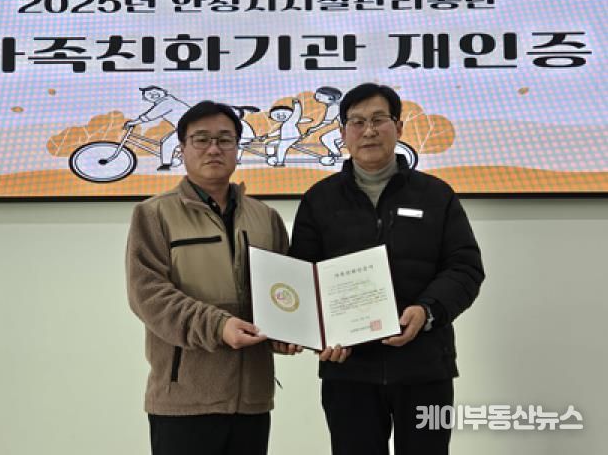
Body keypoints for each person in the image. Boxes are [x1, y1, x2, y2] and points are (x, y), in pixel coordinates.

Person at [289, 83, 484, 455]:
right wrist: (319, 335)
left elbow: (465, 267)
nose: (369, 131)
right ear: (343, 132)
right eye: (357, 122)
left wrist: (427, 311)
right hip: (349, 370)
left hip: (426, 366)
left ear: (398, 127)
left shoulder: (436, 194)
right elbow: (302, 277)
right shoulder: (319, 199)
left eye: (379, 119)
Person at [126, 100, 291, 455]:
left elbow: (284, 292)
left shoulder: (266, 218)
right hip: (184, 399)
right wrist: (218, 326)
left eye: (225, 139)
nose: (214, 149)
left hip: (252, 400)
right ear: (182, 148)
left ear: (237, 148)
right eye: (201, 139)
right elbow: (148, 296)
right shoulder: (154, 214)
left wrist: (289, 331)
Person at [123, 85, 190, 171]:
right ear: (145, 98)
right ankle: (178, 156)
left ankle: (166, 165)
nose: (153, 95)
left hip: (190, 128)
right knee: (166, 141)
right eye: (149, 94)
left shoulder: (167, 102)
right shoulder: (166, 101)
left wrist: (132, 123)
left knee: (168, 143)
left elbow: (149, 116)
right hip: (187, 128)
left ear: (163, 92)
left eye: (155, 92)